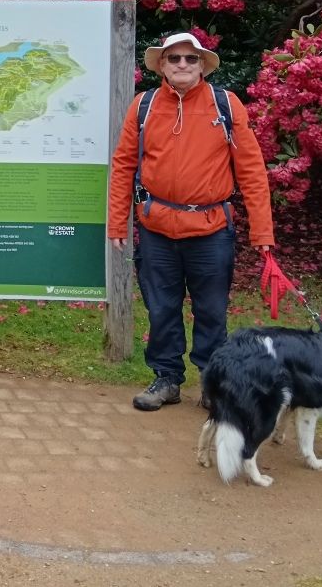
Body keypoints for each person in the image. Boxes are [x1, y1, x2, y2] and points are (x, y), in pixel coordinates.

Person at [106, 31, 276, 411]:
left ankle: (213, 382)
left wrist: (262, 231)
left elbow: (250, 169)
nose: (182, 64)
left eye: (190, 59)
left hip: (211, 229)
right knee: (161, 307)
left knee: (211, 309)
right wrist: (118, 222)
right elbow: (123, 166)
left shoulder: (226, 105)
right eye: (174, 58)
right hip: (157, 229)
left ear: (202, 64)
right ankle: (166, 378)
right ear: (161, 65)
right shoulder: (144, 106)